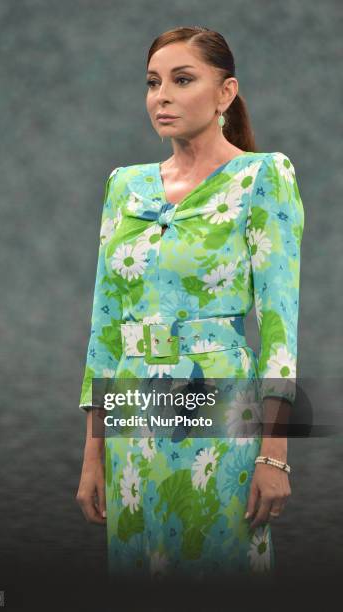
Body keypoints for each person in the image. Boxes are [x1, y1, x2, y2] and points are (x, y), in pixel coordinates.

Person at [76, 26, 304, 580]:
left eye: (183, 80)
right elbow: (105, 325)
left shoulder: (262, 177)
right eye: (153, 83)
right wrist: (92, 453)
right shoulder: (124, 187)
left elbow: (279, 327)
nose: (163, 96)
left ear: (226, 93)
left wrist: (274, 456)